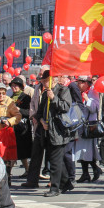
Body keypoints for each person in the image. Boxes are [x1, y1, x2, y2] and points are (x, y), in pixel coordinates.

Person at [34, 69, 76, 197]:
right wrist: (41, 121)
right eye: (43, 81)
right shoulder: (45, 93)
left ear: (54, 80)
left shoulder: (63, 90)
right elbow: (39, 112)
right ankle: (66, 182)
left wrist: (54, 98)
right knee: (57, 160)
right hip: (46, 131)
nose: (44, 84)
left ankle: (55, 188)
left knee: (55, 161)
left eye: (46, 81)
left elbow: (65, 107)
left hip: (58, 131)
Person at [73, 76, 102, 183]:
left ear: (86, 83)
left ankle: (95, 169)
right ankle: (86, 173)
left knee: (88, 151)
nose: (78, 84)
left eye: (80, 82)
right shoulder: (79, 92)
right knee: (81, 151)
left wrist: (87, 100)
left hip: (89, 125)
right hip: (80, 124)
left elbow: (95, 107)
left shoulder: (93, 91)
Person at [10, 78, 33, 176]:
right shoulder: (10, 97)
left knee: (21, 150)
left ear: (20, 87)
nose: (14, 87)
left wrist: (20, 110)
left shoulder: (26, 97)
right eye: (13, 85)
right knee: (14, 149)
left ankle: (7, 172)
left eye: (16, 85)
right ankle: (26, 170)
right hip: (13, 127)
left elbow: (30, 112)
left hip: (23, 128)